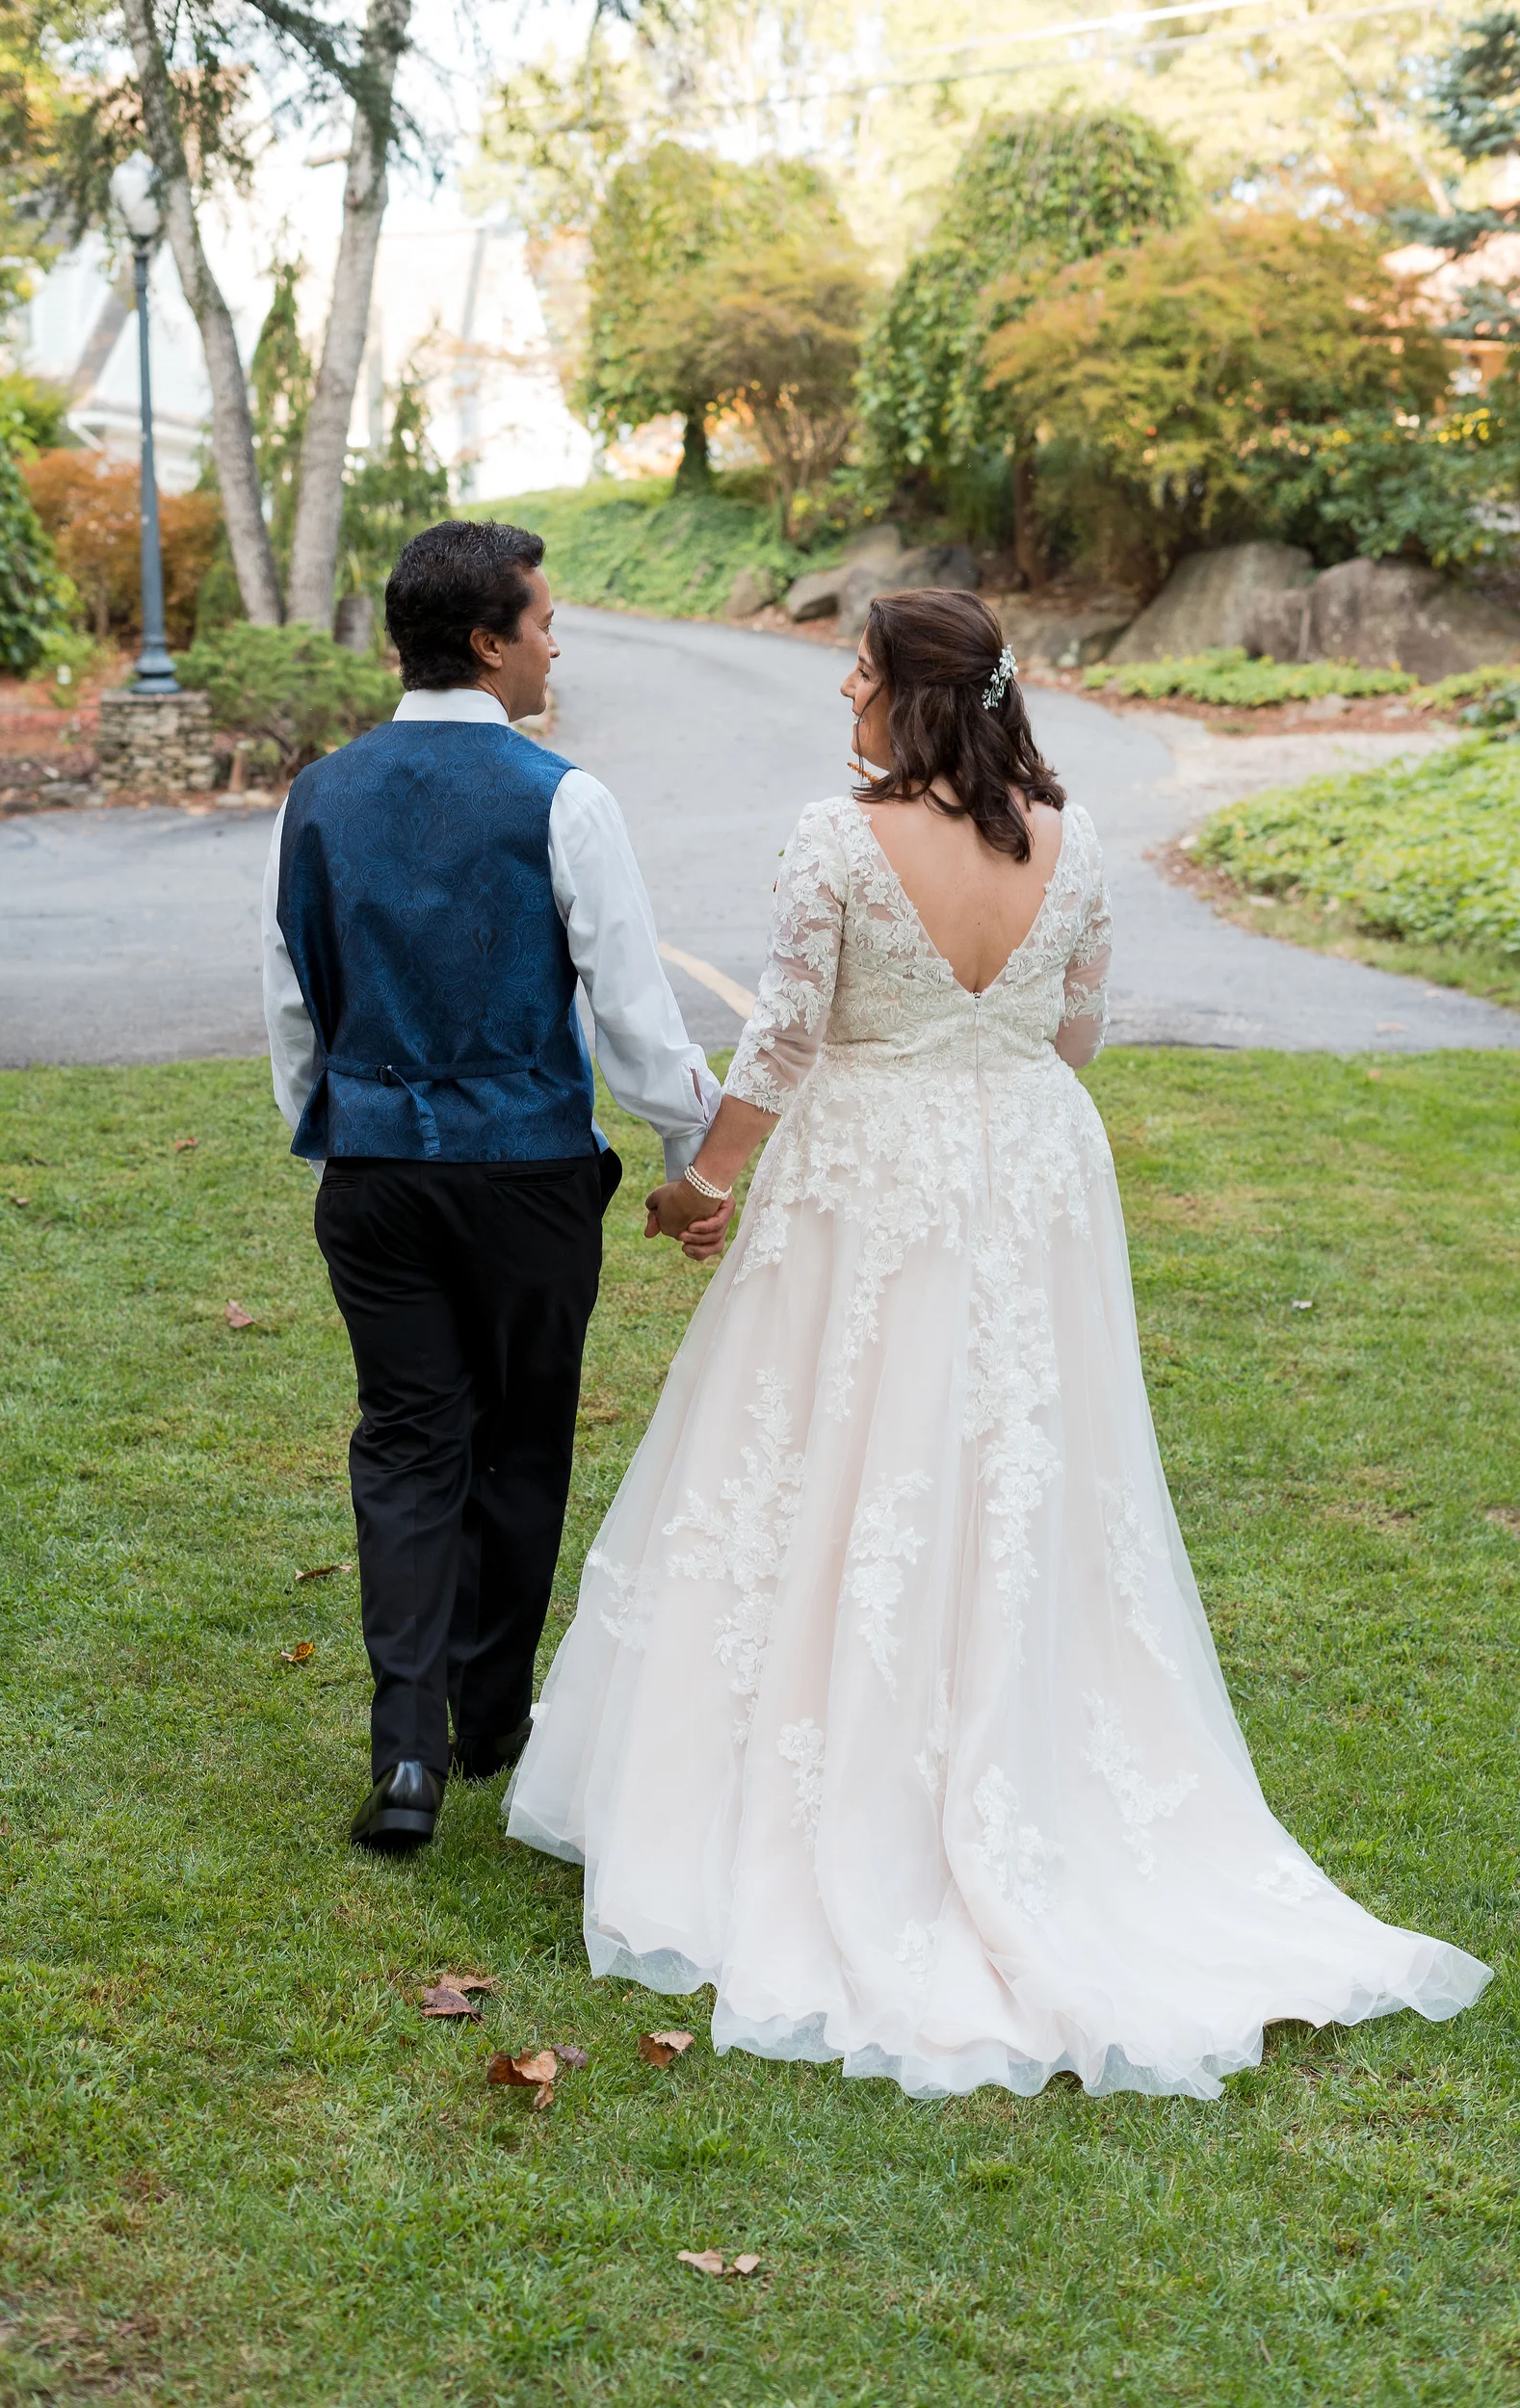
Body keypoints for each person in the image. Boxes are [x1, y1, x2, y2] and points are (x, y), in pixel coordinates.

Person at [505, 588, 1490, 2100]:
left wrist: (704, 1178)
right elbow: (1077, 1029)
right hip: (1027, 1159)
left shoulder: (836, 839)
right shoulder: (1071, 836)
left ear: (910, 693)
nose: (839, 689)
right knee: (1020, 1444)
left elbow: (777, 1037)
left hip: (871, 1159)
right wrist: (985, 1052)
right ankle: (1016, 1732)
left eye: (858, 668)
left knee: (833, 1435)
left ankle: (822, 1777)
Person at [262, 519, 719, 1854]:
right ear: (485, 643)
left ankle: (404, 1755)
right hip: (522, 1172)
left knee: (407, 1443)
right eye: (542, 621)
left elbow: (291, 998)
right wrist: (692, 1154)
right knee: (520, 1441)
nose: (555, 643)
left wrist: (335, 1130)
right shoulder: (562, 797)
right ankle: (493, 1717)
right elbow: (634, 1016)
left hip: (375, 1170)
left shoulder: (317, 794)